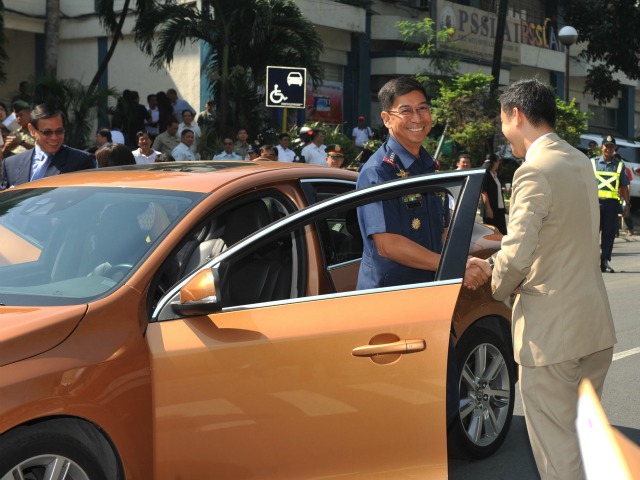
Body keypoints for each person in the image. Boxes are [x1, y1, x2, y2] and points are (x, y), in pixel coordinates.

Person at [466, 78, 616, 480]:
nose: (503, 131)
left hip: (552, 336)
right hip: (593, 326)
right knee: (584, 445)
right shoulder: (578, 160)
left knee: (558, 456)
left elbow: (517, 254)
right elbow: (559, 241)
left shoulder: (533, 170)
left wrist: (492, 279)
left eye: (502, 120)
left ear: (516, 115)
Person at [356, 76, 464, 426]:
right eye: (406, 111)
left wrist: (488, 245)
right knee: (397, 403)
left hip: (430, 300)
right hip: (392, 306)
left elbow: (440, 230)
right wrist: (450, 265)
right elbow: (387, 244)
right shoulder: (378, 172)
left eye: (423, 108)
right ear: (387, 118)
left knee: (440, 397)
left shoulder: (427, 166)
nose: (417, 118)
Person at [1, 103, 95, 189]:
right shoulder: (10, 165)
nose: (54, 137)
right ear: (32, 130)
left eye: (59, 131)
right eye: (47, 132)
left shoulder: (81, 161)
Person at [592, 136, 631, 272]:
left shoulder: (619, 165)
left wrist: (627, 205)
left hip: (612, 205)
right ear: (601, 147)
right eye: (606, 146)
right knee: (592, 234)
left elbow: (624, 186)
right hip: (594, 204)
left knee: (609, 234)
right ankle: (590, 263)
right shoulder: (592, 163)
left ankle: (604, 262)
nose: (608, 148)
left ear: (615, 148)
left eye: (611, 146)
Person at [481, 153, 507, 234]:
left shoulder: (495, 174)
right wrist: (488, 208)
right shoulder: (486, 174)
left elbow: (494, 189)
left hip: (499, 208)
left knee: (502, 232)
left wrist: (504, 190)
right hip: (491, 208)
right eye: (498, 161)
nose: (499, 163)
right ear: (494, 162)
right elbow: (484, 192)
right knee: (491, 232)